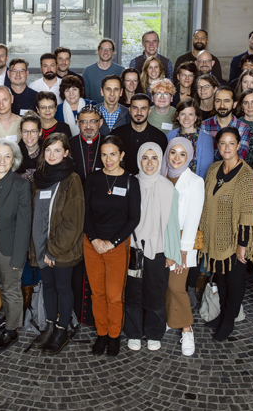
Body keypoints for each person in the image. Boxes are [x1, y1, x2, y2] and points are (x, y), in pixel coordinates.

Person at [195, 127, 253, 341]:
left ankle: (230, 320)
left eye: (232, 143)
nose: (227, 147)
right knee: (220, 277)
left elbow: (248, 214)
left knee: (234, 281)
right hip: (215, 237)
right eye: (223, 143)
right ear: (218, 146)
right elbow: (205, 205)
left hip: (234, 241)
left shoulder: (246, 176)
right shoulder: (214, 169)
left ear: (239, 146)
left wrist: (243, 244)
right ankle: (223, 314)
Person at [82, 136, 141, 357]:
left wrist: (112, 243)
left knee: (115, 295)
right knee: (97, 293)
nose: (108, 159)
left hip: (117, 247)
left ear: (122, 155)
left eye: (113, 154)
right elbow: (85, 213)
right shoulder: (93, 179)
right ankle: (102, 333)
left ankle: (115, 335)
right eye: (104, 154)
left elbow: (134, 218)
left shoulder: (130, 181)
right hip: (92, 244)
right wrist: (95, 239)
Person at [29, 134, 85, 355]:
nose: (52, 155)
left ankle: (62, 330)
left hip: (62, 249)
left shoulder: (72, 179)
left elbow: (73, 221)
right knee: (48, 287)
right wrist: (40, 249)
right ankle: (50, 326)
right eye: (48, 150)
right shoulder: (39, 178)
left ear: (66, 153)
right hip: (41, 247)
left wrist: (52, 250)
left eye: (57, 150)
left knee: (63, 288)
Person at [125, 142, 181, 352]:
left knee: (155, 293)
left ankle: (154, 333)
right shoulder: (130, 182)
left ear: (160, 160)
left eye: (154, 158)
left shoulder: (167, 187)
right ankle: (134, 333)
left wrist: (171, 253)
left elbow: (173, 223)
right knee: (132, 292)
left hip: (158, 249)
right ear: (139, 159)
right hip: (133, 247)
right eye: (145, 158)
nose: (149, 163)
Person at [0, 138, 33, 351]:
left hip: (9, 249)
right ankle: (10, 317)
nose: (2, 160)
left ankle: (11, 330)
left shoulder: (20, 185)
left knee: (11, 289)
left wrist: (19, 257)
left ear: (14, 160)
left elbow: (24, 223)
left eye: (7, 156)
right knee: (1, 285)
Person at [162, 137, 205, 356]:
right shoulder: (161, 175)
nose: (177, 158)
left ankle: (187, 329)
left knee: (177, 286)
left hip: (181, 243)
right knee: (165, 285)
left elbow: (193, 219)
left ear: (189, 157)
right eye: (173, 153)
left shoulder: (195, 181)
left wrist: (183, 252)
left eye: (182, 154)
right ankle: (172, 319)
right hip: (160, 240)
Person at [111, 95, 169, 175]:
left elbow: (163, 168)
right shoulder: (116, 135)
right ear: (130, 110)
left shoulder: (160, 138)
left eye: (143, 108)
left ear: (149, 111)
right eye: (135, 108)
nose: (139, 112)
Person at [200, 86, 251, 162]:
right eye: (218, 101)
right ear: (214, 103)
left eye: (227, 101)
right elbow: (200, 155)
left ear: (234, 104)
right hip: (207, 172)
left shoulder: (243, 128)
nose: (222, 105)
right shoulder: (203, 125)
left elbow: (239, 158)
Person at [167, 99, 214, 179]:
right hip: (171, 183)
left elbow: (205, 171)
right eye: (183, 114)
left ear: (196, 117)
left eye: (190, 114)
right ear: (178, 116)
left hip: (193, 186)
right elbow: (166, 164)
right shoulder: (170, 135)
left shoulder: (206, 139)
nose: (186, 118)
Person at [82, 39, 125, 104]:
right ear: (98, 51)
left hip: (115, 111)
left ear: (113, 52)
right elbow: (84, 96)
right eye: (103, 49)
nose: (106, 52)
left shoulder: (121, 70)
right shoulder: (88, 71)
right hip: (93, 111)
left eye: (109, 49)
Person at [68, 105, 104, 182]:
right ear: (78, 123)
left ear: (100, 122)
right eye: (83, 122)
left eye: (93, 121)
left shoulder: (108, 143)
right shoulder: (68, 144)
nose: (88, 126)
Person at [16, 114, 43, 180]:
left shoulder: (48, 152)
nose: (29, 136)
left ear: (40, 132)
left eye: (33, 131)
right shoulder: (14, 154)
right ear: (21, 132)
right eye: (25, 131)